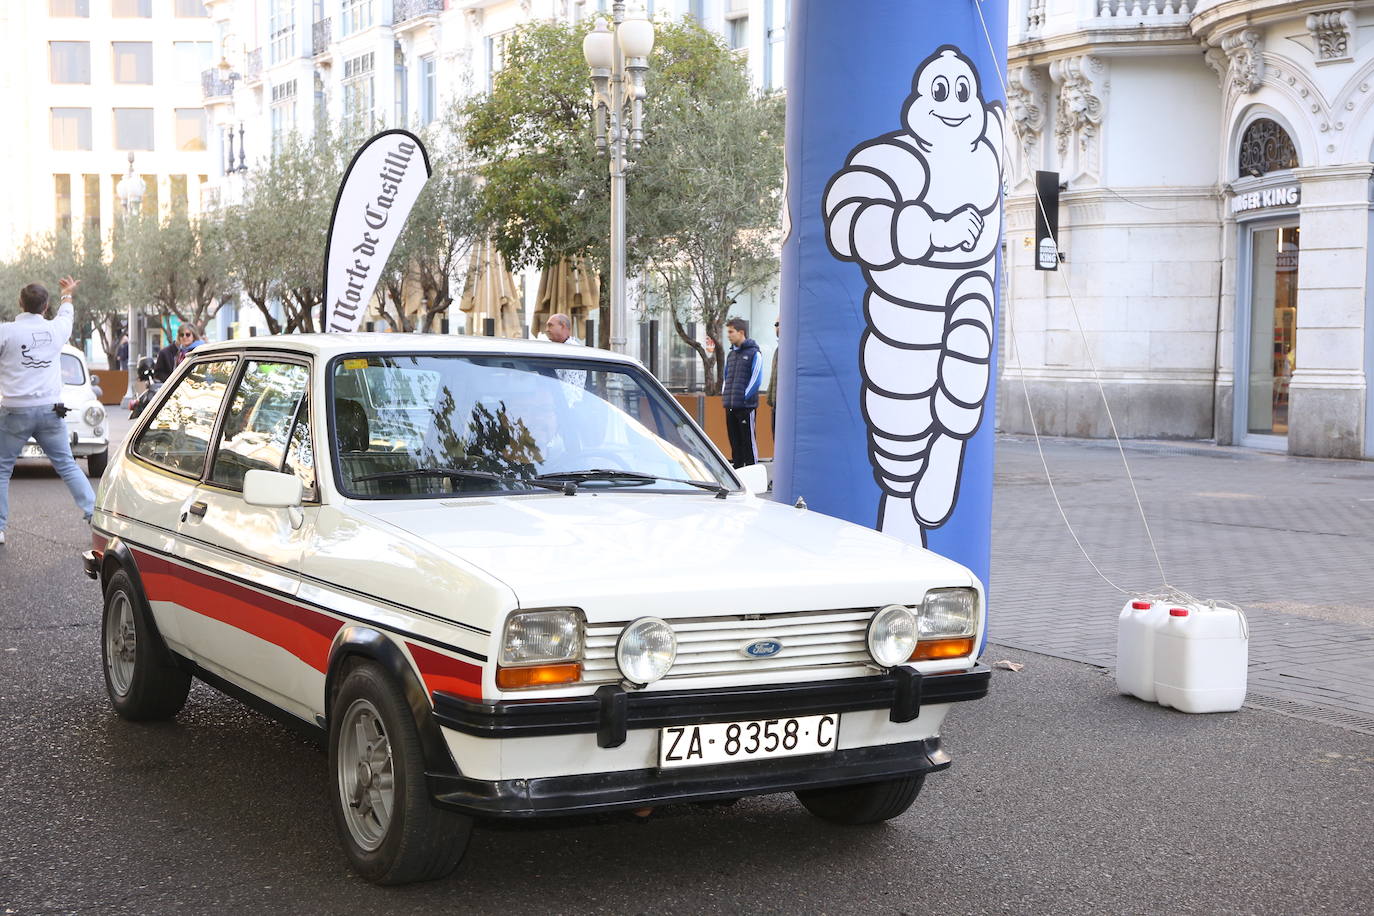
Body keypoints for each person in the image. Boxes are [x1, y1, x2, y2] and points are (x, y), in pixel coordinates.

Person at [0, 277, 97, 545]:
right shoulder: (56, 330)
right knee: (66, 464)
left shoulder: (5, 332)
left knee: (2, 469)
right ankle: (94, 514)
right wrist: (67, 293)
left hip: (14, 411)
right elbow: (67, 310)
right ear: (45, 307)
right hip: (50, 412)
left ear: (20, 304)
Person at [720, 316, 762, 469]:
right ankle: (739, 473)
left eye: (731, 332)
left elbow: (757, 379)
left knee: (748, 443)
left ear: (741, 332)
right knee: (735, 443)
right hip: (731, 406)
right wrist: (726, 396)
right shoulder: (731, 355)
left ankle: (754, 472)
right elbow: (726, 377)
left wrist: (743, 398)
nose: (728, 335)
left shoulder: (754, 353)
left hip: (745, 407)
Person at [767, 318, 780, 439]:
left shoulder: (790, 349)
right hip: (776, 403)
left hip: (784, 404)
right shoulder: (778, 349)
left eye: (778, 324)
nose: (776, 327)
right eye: (775, 324)